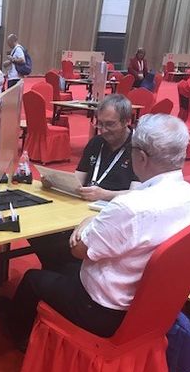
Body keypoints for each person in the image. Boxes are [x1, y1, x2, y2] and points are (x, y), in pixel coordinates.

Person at [0, 113, 190, 351]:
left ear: (141, 157)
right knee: (60, 266)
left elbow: (79, 250)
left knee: (32, 278)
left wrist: (87, 222)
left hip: (104, 310)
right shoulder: (188, 195)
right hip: (153, 307)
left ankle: (18, 336)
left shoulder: (129, 207)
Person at [32, 94, 138, 271]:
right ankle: (58, 270)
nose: (103, 130)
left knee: (59, 242)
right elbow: (78, 180)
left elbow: (137, 194)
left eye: (110, 124)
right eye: (99, 123)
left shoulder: (138, 149)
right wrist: (55, 182)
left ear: (127, 121)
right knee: (39, 230)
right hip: (83, 208)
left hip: (114, 215)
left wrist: (104, 194)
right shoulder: (96, 143)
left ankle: (64, 272)